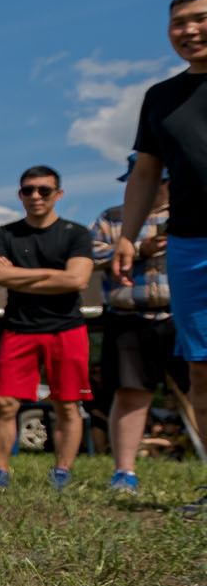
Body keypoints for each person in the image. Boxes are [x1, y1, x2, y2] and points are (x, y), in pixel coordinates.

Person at [112, 0, 207, 491]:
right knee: (201, 373)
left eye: (200, 18)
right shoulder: (161, 98)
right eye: (179, 23)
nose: (189, 31)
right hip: (191, 244)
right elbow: (147, 172)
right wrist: (128, 236)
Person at [0, 167, 95, 492]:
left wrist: (20, 273)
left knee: (67, 404)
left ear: (58, 194)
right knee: (4, 403)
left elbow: (78, 280)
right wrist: (53, 277)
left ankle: (61, 473)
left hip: (66, 328)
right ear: (20, 195)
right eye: (28, 190)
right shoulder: (5, 234)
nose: (35, 196)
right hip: (19, 328)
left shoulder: (76, 234)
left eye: (44, 191)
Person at [92, 164, 182, 492]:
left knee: (198, 389)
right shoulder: (112, 217)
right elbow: (90, 255)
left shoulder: (190, 213)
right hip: (129, 315)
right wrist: (135, 249)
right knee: (130, 393)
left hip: (180, 313)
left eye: (160, 180)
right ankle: (124, 472)